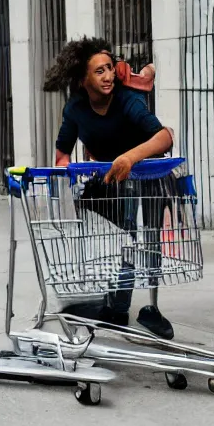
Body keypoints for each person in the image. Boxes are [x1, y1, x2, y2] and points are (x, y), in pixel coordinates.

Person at [42, 36, 176, 340]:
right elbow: (63, 151)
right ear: (82, 79)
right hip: (110, 181)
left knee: (140, 238)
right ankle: (112, 302)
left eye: (109, 68)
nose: (108, 76)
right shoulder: (76, 108)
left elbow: (164, 137)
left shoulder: (126, 100)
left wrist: (129, 157)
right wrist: (65, 176)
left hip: (145, 177)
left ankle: (138, 307)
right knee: (113, 238)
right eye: (99, 71)